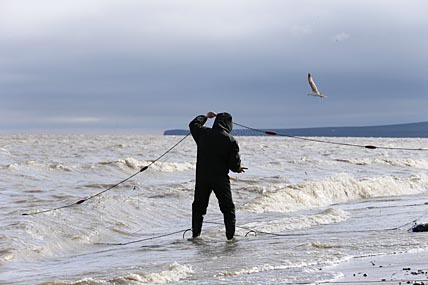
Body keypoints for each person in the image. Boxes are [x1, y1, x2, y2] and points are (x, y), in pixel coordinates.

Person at [189, 111, 247, 240]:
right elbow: (233, 165)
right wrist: (238, 169)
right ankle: (230, 238)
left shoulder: (203, 134)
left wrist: (205, 117)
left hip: (202, 178)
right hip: (220, 179)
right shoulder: (230, 140)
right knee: (228, 208)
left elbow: (193, 124)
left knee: (199, 207)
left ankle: (195, 236)